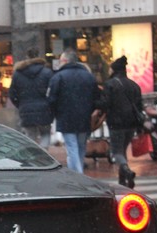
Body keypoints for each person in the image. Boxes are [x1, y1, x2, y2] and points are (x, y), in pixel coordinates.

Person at [47, 48, 101, 173]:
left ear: (65, 61)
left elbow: (51, 98)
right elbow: (96, 97)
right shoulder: (88, 76)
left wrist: (55, 112)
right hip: (84, 117)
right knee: (81, 145)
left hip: (66, 117)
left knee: (71, 147)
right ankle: (79, 169)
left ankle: (77, 173)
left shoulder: (58, 77)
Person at [100, 55, 144, 188]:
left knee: (116, 152)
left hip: (116, 123)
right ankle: (122, 178)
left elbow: (105, 103)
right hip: (131, 123)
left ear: (114, 70)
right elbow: (139, 106)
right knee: (123, 149)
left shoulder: (110, 85)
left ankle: (127, 171)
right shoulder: (134, 85)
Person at [8, 48, 54, 149]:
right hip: (44, 110)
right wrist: (50, 105)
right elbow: (53, 92)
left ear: (27, 57)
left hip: (26, 109)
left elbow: (12, 94)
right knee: (45, 134)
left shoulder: (18, 73)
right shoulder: (47, 72)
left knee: (30, 137)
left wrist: (21, 104)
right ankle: (44, 156)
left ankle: (34, 159)